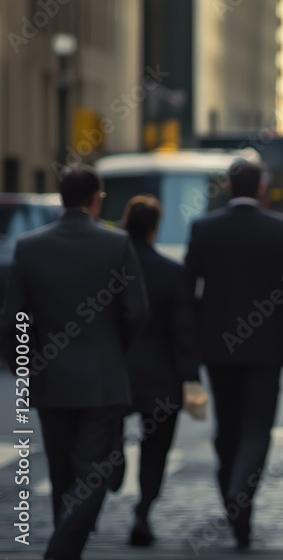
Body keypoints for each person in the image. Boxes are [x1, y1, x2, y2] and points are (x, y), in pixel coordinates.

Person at [0, 165, 150, 560]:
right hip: (102, 378)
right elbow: (137, 311)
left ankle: (65, 547)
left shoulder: (29, 246)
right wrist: (115, 350)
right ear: (95, 198)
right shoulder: (115, 243)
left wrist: (23, 365)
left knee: (64, 472)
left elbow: (13, 317)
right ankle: (62, 552)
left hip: (50, 377)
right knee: (92, 475)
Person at [184, 160, 283, 550]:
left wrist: (191, 346)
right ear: (261, 188)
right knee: (256, 431)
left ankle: (236, 507)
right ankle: (241, 498)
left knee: (227, 431)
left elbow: (187, 293)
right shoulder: (281, 230)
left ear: (227, 186)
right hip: (267, 351)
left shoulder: (204, 229)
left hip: (218, 349)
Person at [118, 194, 200, 546]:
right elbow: (184, 331)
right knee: (156, 451)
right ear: (154, 228)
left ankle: (113, 463)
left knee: (106, 431)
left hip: (116, 373)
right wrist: (191, 377)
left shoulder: (111, 271)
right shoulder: (172, 272)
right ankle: (143, 510)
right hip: (161, 376)